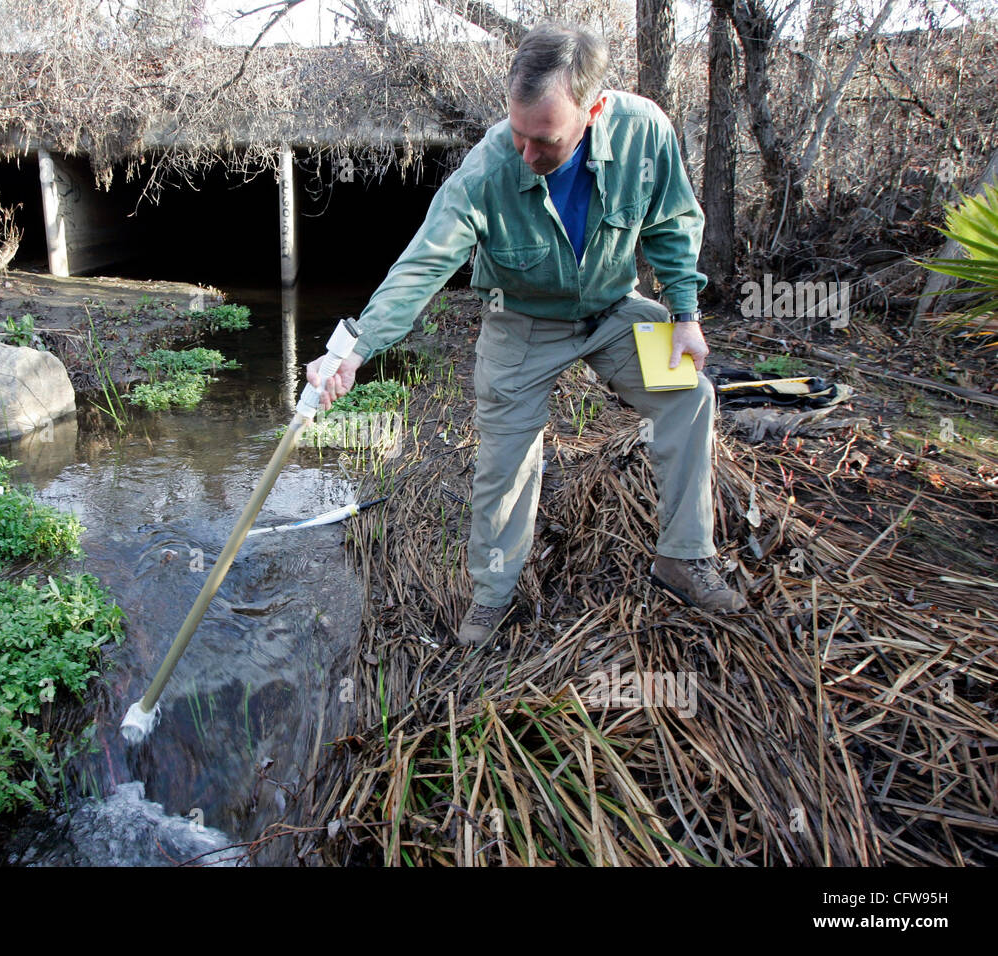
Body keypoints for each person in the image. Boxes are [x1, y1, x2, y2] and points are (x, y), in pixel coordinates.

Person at [306, 21, 748, 647]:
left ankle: (682, 555)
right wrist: (352, 350)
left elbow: (673, 223)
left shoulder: (646, 130)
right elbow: (422, 266)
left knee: (690, 397)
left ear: (593, 110)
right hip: (522, 322)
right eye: (516, 132)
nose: (525, 154)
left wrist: (684, 314)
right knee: (505, 462)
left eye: (543, 140)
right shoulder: (487, 167)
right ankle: (492, 598)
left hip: (612, 311)